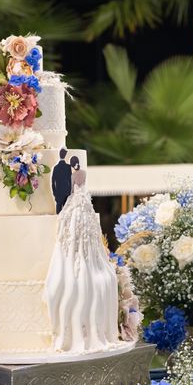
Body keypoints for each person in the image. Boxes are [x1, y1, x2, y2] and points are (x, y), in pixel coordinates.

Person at [45, 156, 118, 352]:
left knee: (75, 230)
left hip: (75, 204)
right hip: (83, 202)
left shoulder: (71, 174)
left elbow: (64, 188)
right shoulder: (82, 174)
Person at [51, 148, 72, 214]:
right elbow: (70, 180)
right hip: (66, 193)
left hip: (58, 193)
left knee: (58, 213)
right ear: (65, 155)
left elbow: (53, 182)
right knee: (66, 212)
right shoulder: (68, 167)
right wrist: (69, 192)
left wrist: (54, 193)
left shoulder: (56, 168)